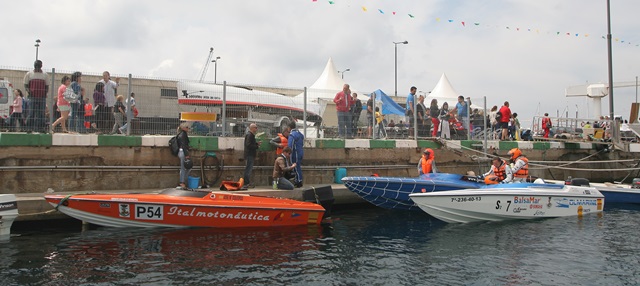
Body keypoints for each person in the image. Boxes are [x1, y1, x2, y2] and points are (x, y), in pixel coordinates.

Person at [23, 60, 49, 133]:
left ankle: (41, 128)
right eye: (36, 65)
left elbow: (47, 86)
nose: (37, 66)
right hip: (32, 97)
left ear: (41, 65)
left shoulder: (45, 74)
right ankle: (29, 128)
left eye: (39, 65)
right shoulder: (29, 74)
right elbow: (25, 85)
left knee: (41, 113)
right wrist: (29, 92)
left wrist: (45, 93)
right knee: (31, 113)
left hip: (42, 97)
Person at [242, 123, 260, 190]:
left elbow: (249, 143)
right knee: (248, 169)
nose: (256, 129)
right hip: (249, 155)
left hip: (250, 154)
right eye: (255, 127)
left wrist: (256, 143)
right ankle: (246, 183)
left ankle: (247, 182)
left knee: (249, 169)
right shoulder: (250, 135)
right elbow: (248, 145)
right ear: (252, 128)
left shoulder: (250, 135)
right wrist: (256, 146)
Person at [287, 121, 304, 188]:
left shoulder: (292, 135)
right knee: (298, 167)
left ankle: (299, 181)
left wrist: (288, 153)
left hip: (295, 153)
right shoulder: (299, 134)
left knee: (295, 167)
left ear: (289, 127)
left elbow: (290, 145)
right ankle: (298, 180)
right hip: (300, 152)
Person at [176, 122, 191, 190]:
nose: (188, 128)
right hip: (183, 152)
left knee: (185, 167)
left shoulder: (182, 134)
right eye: (187, 127)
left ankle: (183, 181)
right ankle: (182, 182)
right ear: (183, 128)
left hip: (182, 151)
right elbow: (183, 145)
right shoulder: (183, 135)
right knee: (184, 167)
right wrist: (187, 154)